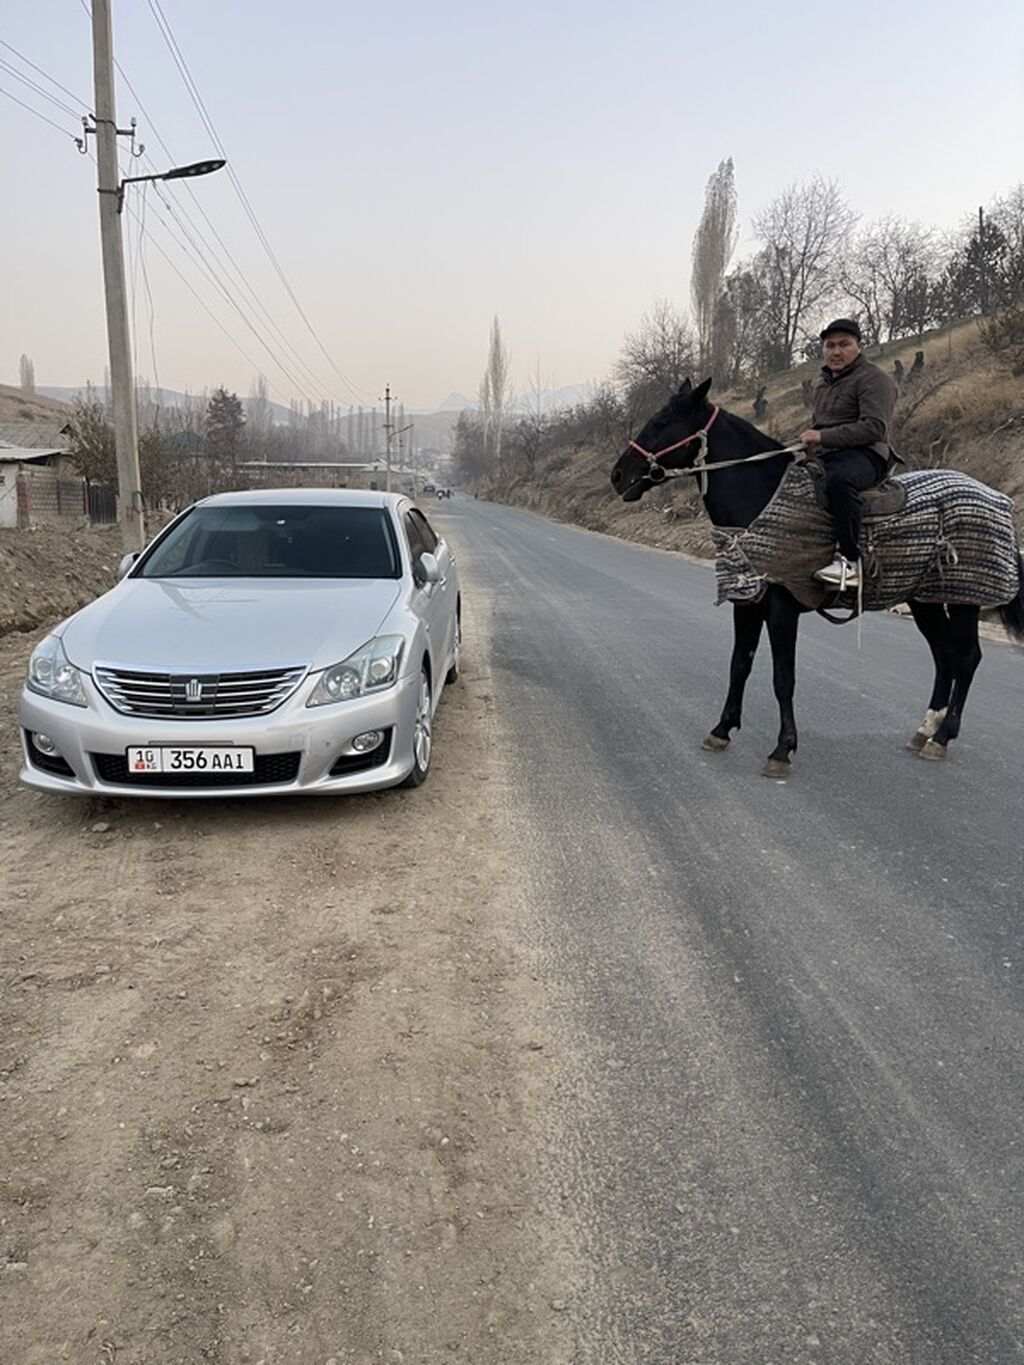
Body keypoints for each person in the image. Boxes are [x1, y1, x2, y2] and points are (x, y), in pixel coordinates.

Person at [800, 318, 897, 591]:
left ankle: (850, 563)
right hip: (828, 454)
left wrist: (822, 437)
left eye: (844, 344)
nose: (836, 351)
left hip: (866, 455)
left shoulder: (874, 379)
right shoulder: (822, 383)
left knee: (839, 481)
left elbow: (874, 427)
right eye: (830, 346)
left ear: (859, 346)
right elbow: (818, 425)